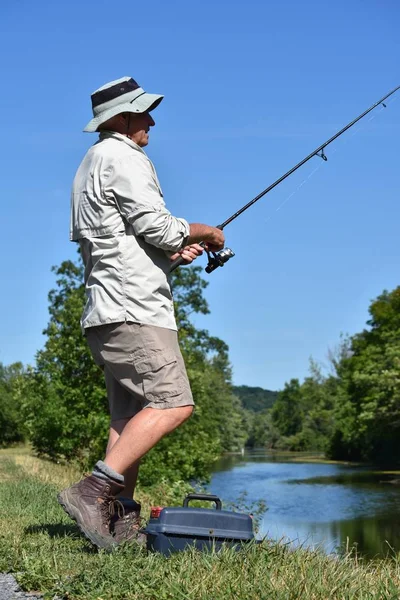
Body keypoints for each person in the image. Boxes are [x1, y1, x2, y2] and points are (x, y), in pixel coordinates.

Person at [58, 76, 225, 549]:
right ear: (120, 118)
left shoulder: (90, 163)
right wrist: (205, 233)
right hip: (136, 310)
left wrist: (170, 254)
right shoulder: (124, 156)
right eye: (142, 112)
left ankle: (117, 520)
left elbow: (121, 240)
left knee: (128, 418)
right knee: (175, 403)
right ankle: (93, 491)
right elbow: (156, 224)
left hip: (107, 309)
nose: (151, 120)